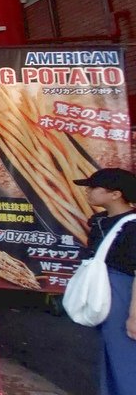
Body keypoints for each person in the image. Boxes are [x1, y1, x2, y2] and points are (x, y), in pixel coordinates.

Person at [73, 168, 136, 395]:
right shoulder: (101, 221)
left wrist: (134, 315)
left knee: (126, 356)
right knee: (109, 352)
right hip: (105, 292)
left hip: (124, 293)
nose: (87, 192)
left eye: (93, 187)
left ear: (115, 194)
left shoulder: (132, 226)